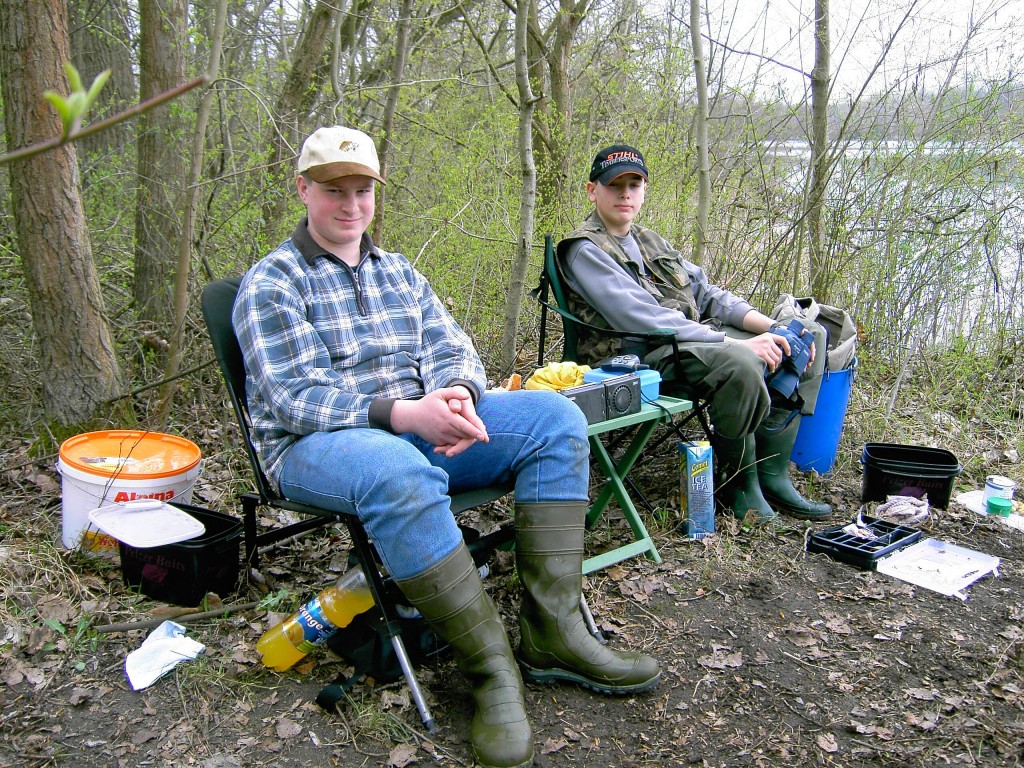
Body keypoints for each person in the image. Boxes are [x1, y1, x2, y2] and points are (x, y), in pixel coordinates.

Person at [233, 126, 660, 768]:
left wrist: (456, 394)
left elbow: (449, 345)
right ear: (303, 190)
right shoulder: (272, 283)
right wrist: (406, 415)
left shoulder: (398, 273)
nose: (350, 205)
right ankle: (491, 672)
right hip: (314, 447)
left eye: (361, 191)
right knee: (400, 470)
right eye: (333, 191)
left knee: (555, 418)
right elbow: (296, 398)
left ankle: (554, 633)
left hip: (418, 425)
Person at [557, 143, 832, 525]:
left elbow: (706, 294)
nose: (625, 194)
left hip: (686, 342)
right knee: (742, 361)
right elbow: (644, 318)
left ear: (643, 191)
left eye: (634, 185)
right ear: (593, 190)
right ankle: (738, 483)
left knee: (807, 335)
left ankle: (772, 474)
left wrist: (771, 327)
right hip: (638, 358)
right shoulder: (582, 249)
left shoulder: (650, 241)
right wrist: (735, 342)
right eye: (614, 185)